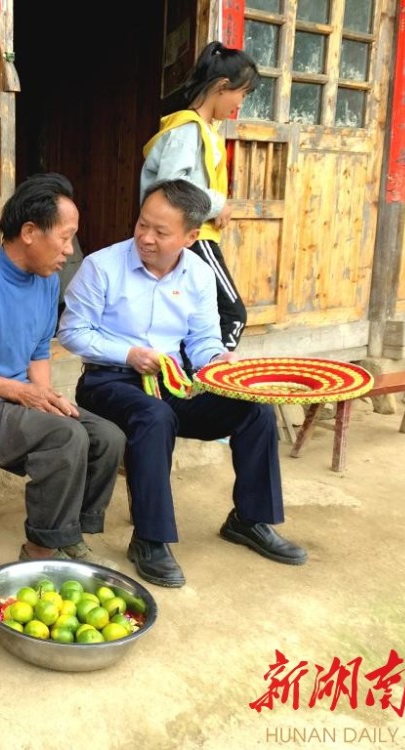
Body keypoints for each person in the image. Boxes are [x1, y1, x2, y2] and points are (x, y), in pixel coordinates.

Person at [57, 179, 307, 588]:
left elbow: (203, 340)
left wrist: (217, 361)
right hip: (110, 381)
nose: (146, 237)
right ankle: (149, 539)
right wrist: (129, 354)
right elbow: (73, 332)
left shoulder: (199, 275)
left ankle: (249, 519)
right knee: (153, 416)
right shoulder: (102, 266)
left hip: (175, 382)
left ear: (191, 237)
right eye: (142, 224)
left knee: (254, 408)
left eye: (161, 232)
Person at [0, 172, 126, 564]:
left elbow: (39, 351)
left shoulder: (46, 281)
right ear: (31, 231)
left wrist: (45, 396)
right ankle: (39, 549)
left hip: (17, 401)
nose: (70, 252)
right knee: (65, 437)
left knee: (107, 435)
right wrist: (21, 392)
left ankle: (70, 530)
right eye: (65, 237)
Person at [140, 40, 261, 352]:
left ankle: (193, 380)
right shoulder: (187, 130)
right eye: (242, 93)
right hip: (196, 237)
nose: (240, 103)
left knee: (194, 317)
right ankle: (213, 382)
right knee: (232, 314)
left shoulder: (205, 129)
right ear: (222, 86)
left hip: (196, 235)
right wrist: (217, 203)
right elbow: (170, 186)